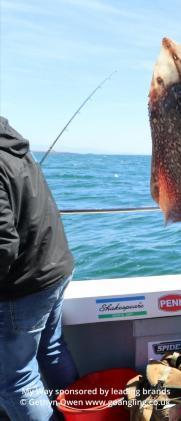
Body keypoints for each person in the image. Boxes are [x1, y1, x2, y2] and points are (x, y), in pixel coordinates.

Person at [0, 117, 79, 420]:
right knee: (52, 349)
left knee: (15, 381)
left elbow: (3, 245)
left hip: (23, 285)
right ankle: (77, 415)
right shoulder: (14, 148)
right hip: (55, 268)